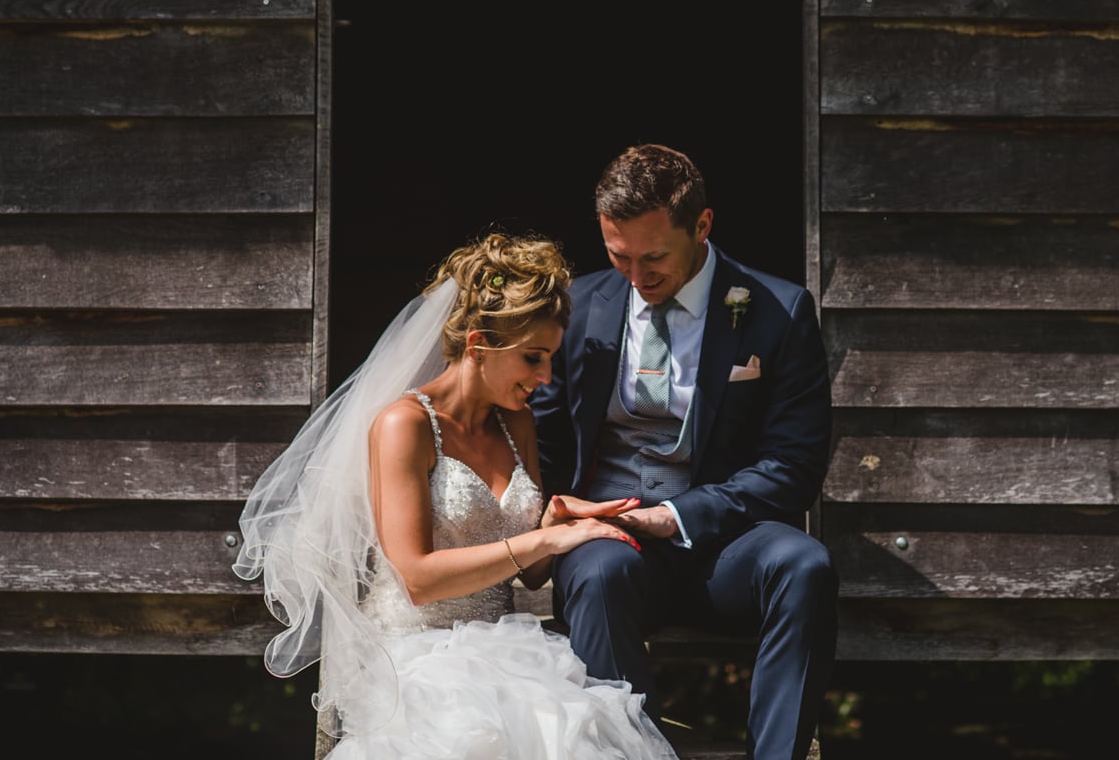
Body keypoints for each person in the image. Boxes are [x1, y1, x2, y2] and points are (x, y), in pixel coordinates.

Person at [233, 231, 679, 759]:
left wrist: (554, 518)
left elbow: (531, 573)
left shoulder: (518, 423)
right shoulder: (404, 425)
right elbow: (418, 579)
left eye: (550, 360)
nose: (545, 377)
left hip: (505, 649)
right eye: (534, 358)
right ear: (478, 346)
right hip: (416, 656)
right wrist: (544, 544)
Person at [531, 143, 837, 760]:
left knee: (805, 565)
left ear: (702, 226)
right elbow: (543, 437)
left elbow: (793, 468)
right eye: (618, 255)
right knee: (596, 572)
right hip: (610, 541)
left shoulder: (777, 312)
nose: (637, 277)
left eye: (654, 258)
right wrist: (554, 516)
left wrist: (675, 516)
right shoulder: (581, 305)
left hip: (726, 544)